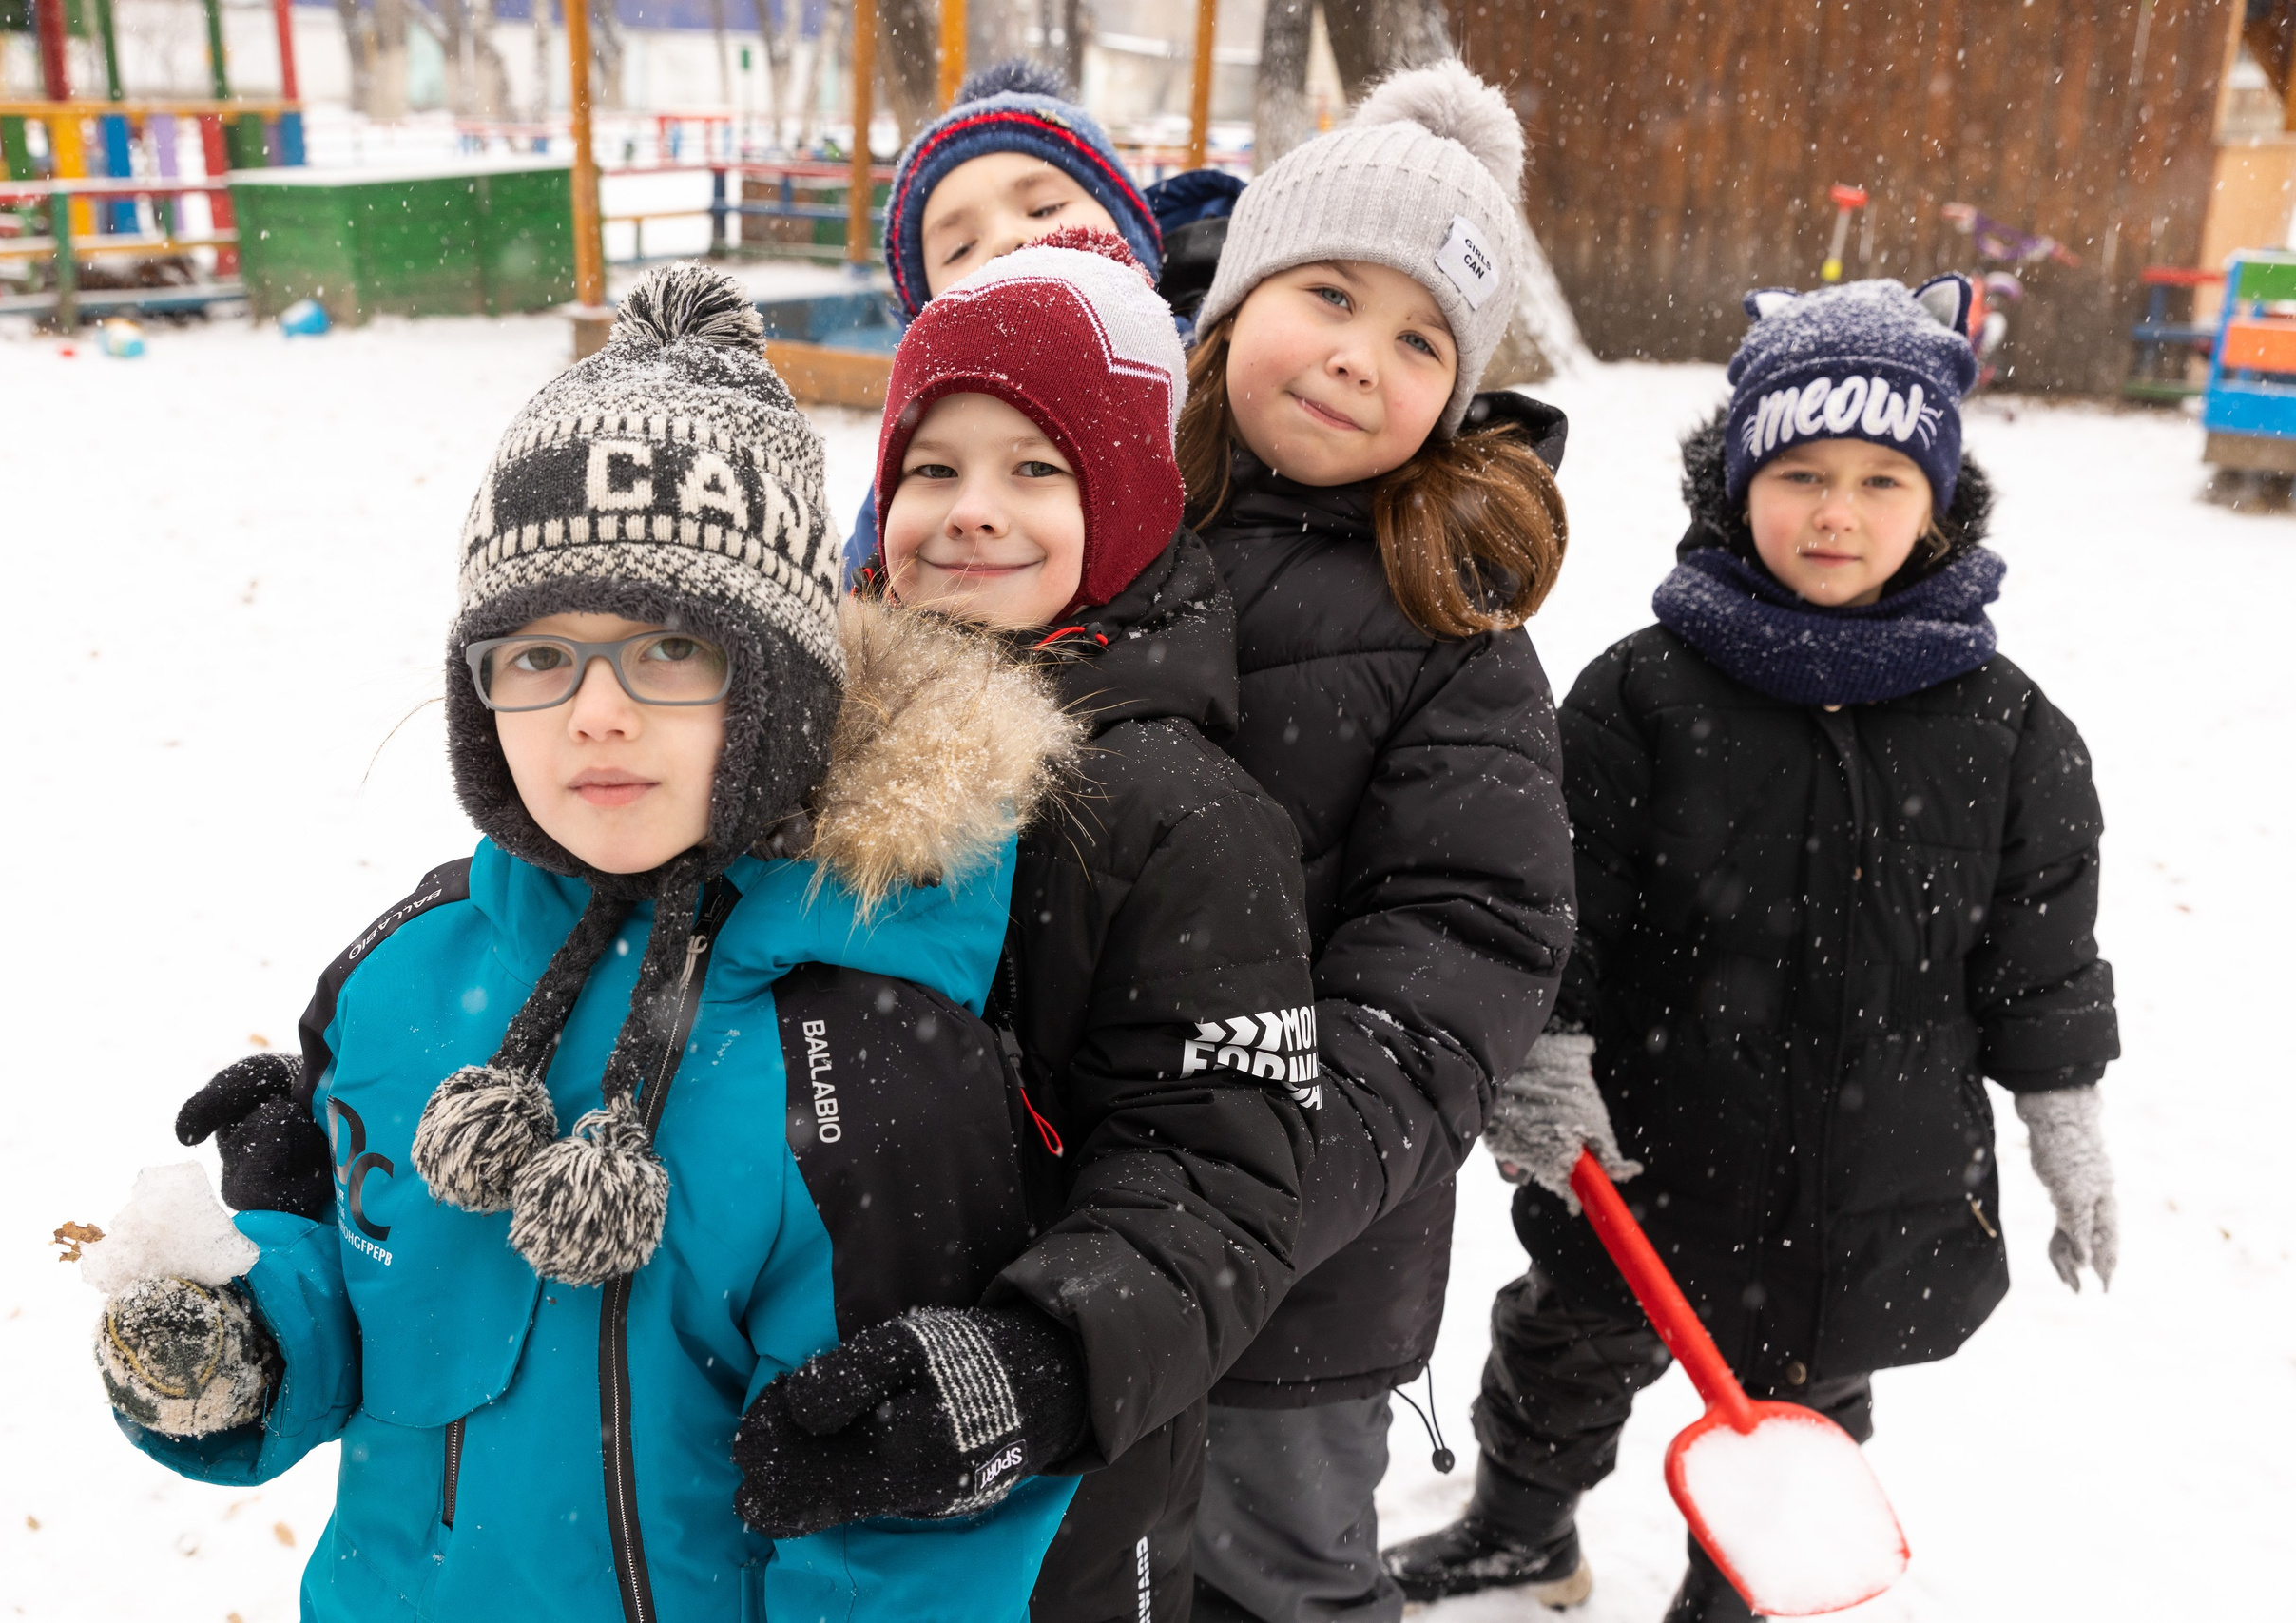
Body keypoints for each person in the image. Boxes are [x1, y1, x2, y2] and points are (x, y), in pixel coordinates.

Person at [103, 264, 1105, 1623]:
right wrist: (243, 1328)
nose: (596, 713)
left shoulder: (866, 1067)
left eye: (672, 647)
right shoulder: (405, 973)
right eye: (537, 654)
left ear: (783, 692)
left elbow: (903, 1555)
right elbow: (375, 1317)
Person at [1382, 277, 2123, 1622]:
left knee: (1805, 1412)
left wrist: (2064, 1117)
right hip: (1653, 1148)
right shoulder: (1641, 694)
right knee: (1562, 1348)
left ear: (1939, 503)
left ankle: (1738, 1594)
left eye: (1882, 479)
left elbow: (2041, 951)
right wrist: (1545, 1059)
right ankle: (1519, 1529)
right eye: (1798, 473)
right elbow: (1561, 904)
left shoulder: (2009, 729)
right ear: (1734, 484)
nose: (1837, 512)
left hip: (1870, 1179)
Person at [768, 225, 1320, 1623]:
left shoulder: (1181, 813)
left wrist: (1042, 1359)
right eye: (931, 469)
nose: (971, 510)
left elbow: (1219, 1172)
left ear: (1127, 505)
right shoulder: (805, 741)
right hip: (797, 1397)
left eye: (1037, 471)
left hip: (1059, 1473)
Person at [1172, 60, 1581, 1623]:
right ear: (1230, 304)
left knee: (1276, 1575)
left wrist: (1249, 1193)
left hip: (1298, 1268)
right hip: (1057, 1217)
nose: (1360, 356)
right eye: (1328, 294)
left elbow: (1462, 953)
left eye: (1421, 340)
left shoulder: (1454, 636)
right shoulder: (1110, 532)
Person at [839, 58, 1166, 581]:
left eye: (1043, 209)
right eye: (961, 247)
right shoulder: (907, 484)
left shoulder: (1217, 413)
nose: (1005, 241)